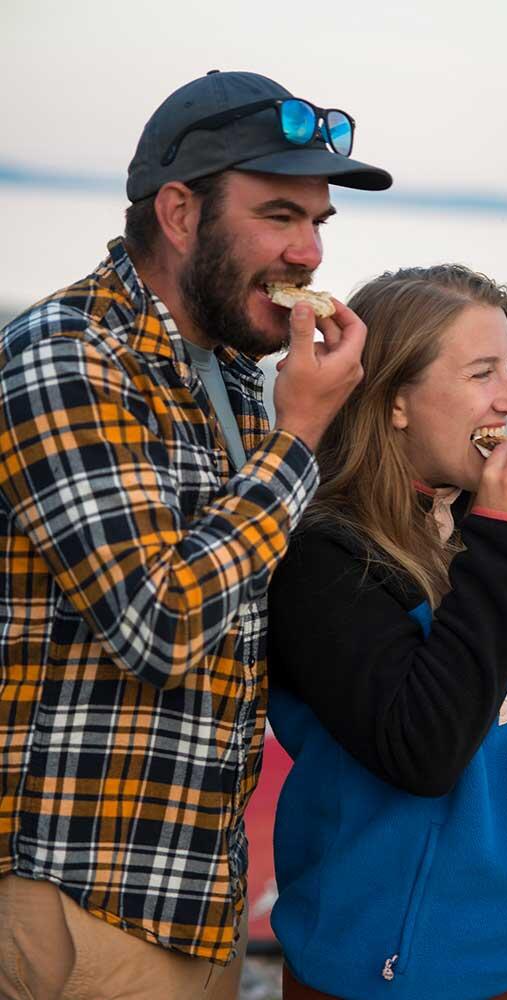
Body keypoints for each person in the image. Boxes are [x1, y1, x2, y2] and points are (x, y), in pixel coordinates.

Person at [0, 70, 392, 1000]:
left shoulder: (229, 371)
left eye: (319, 224)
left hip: (196, 891)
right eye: (280, 215)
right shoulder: (69, 356)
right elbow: (160, 624)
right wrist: (300, 435)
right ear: (179, 213)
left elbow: (259, 593)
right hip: (81, 896)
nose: (308, 253)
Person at [268, 263, 507, 1000]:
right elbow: (424, 752)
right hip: (407, 967)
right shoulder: (324, 555)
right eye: (481, 373)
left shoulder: (483, 517)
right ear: (398, 401)